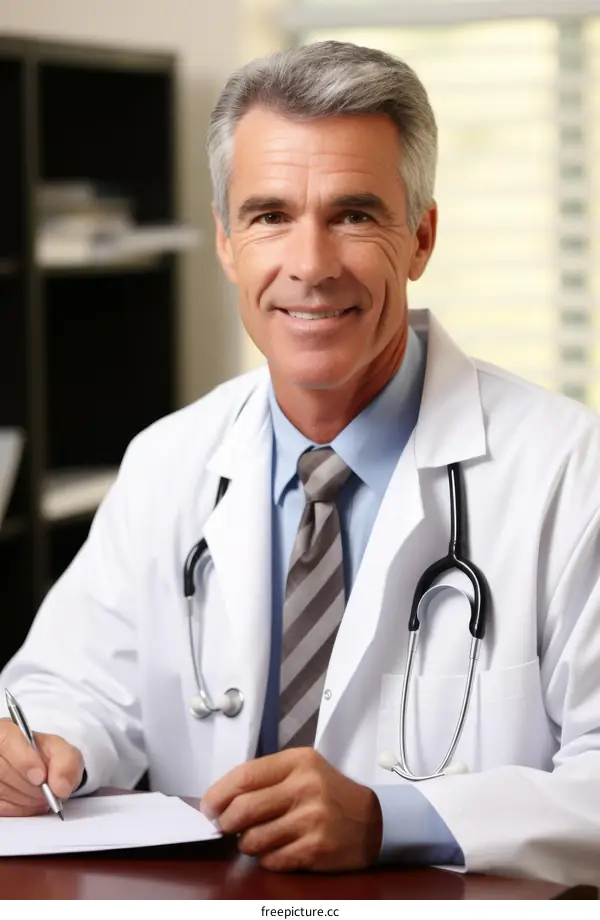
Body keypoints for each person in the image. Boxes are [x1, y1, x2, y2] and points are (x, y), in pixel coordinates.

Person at [1, 40, 600, 885]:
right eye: (270, 214)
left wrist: (392, 819)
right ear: (225, 242)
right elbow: (78, 686)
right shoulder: (169, 461)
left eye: (354, 214)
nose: (310, 266)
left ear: (421, 238)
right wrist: (47, 746)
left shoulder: (572, 473)